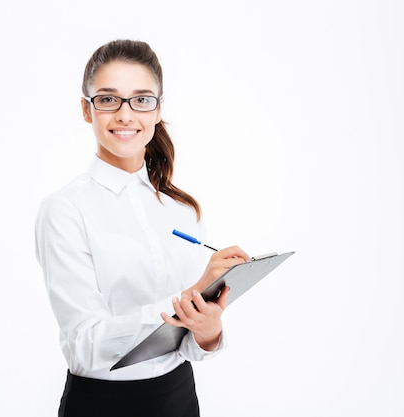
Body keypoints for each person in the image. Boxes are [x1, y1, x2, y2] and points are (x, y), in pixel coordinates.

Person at [35, 39, 250, 417]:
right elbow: (84, 344)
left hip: (179, 397)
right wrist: (191, 294)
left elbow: (187, 345)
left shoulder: (182, 210)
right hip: (101, 405)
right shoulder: (64, 210)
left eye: (141, 99)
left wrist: (206, 328)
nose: (125, 114)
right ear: (87, 110)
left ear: (157, 109)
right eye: (107, 99)